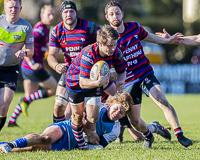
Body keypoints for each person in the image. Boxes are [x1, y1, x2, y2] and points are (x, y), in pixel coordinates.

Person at [104, 1, 192, 148]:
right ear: (107, 17)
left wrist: (168, 40)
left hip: (145, 73)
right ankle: (150, 134)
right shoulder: (107, 38)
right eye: (111, 14)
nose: (115, 16)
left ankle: (180, 135)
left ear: (122, 13)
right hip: (128, 81)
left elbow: (150, 37)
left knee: (162, 100)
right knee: (135, 122)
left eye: (117, 12)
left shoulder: (134, 27)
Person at [0, 92, 132, 153]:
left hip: (71, 143)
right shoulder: (97, 107)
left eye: (121, 113)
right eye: (116, 108)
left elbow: (99, 145)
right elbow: (77, 116)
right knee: (45, 138)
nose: (117, 113)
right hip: (67, 128)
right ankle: (11, 144)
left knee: (33, 148)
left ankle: (4, 146)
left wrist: (88, 141)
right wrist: (89, 131)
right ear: (110, 104)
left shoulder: (114, 130)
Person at [65, 25, 127, 149]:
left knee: (93, 117)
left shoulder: (116, 52)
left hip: (96, 83)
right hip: (75, 83)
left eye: (114, 45)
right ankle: (81, 142)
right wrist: (99, 83)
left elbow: (122, 70)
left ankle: (87, 141)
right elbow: (82, 82)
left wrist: (120, 82)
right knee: (77, 116)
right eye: (109, 46)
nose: (112, 49)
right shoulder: (89, 54)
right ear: (100, 43)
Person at [47, 1, 100, 123]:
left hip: (89, 73)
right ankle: (58, 134)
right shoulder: (57, 31)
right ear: (61, 14)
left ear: (76, 13)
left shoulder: (89, 27)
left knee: (86, 115)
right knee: (58, 107)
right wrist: (56, 66)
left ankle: (119, 124)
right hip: (70, 72)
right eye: (65, 12)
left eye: (71, 11)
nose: (69, 14)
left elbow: (104, 41)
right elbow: (51, 56)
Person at [5, 4, 56, 127]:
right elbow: (25, 46)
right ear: (41, 15)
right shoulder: (39, 30)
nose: (51, 17)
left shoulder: (45, 28)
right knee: (55, 88)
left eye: (53, 14)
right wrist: (32, 63)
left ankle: (11, 121)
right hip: (33, 69)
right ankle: (25, 100)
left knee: (29, 97)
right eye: (48, 14)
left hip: (27, 69)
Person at [0, 0, 34, 131]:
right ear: (5, 8)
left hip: (10, 70)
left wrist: (24, 52)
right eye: (10, 7)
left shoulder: (26, 27)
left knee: (4, 106)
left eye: (16, 7)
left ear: (20, 8)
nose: (13, 9)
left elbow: (31, 50)